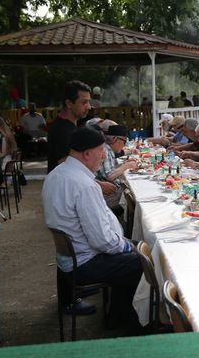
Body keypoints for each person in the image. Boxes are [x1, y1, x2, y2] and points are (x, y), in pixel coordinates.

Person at [42, 127, 144, 334]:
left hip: (69, 258)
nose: (104, 155)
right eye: (101, 151)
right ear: (87, 153)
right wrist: (128, 245)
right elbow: (103, 242)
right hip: (84, 263)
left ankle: (118, 314)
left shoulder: (56, 174)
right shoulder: (84, 185)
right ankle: (122, 322)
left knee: (137, 250)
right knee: (142, 261)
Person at [47, 80, 91, 173]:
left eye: (88, 102)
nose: (89, 107)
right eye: (84, 102)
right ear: (69, 104)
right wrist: (97, 183)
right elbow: (66, 165)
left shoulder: (68, 126)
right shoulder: (62, 130)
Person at [97, 124, 137, 211]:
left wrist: (124, 164)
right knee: (136, 196)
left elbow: (111, 169)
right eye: (124, 141)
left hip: (110, 190)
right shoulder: (106, 150)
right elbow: (109, 176)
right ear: (115, 139)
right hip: (108, 194)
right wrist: (126, 166)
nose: (124, 145)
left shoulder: (109, 150)